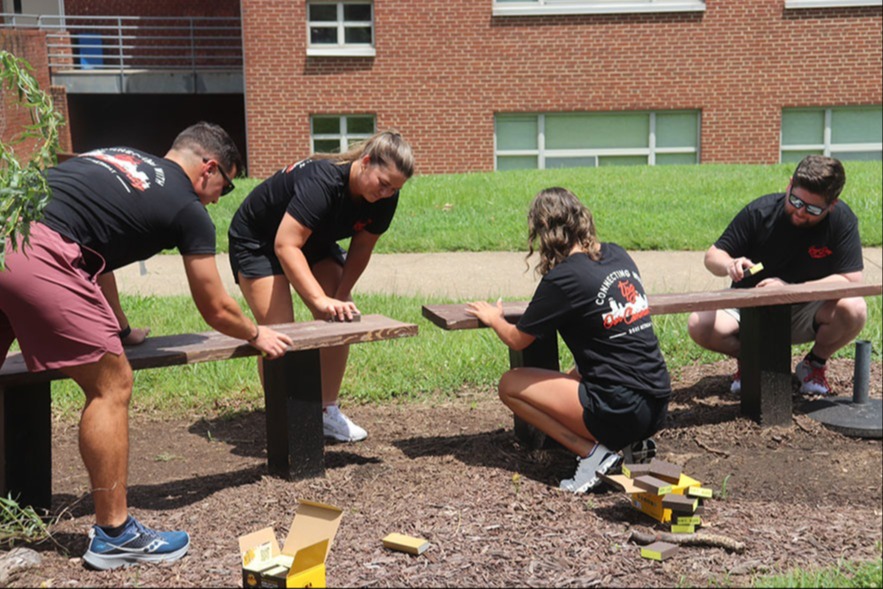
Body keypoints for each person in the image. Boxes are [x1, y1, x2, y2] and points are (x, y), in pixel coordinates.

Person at [0, 122, 293, 570]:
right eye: (226, 186)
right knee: (111, 384)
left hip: (8, 225)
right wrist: (257, 333)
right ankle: (115, 536)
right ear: (209, 168)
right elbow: (215, 306)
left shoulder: (122, 156)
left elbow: (95, 250)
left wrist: (119, 329)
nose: (219, 199)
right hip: (39, 253)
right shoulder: (187, 207)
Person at [466, 187, 671, 494]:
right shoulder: (618, 254)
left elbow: (518, 340)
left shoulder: (563, 278)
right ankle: (630, 443)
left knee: (510, 384)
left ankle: (593, 455)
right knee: (572, 377)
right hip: (658, 402)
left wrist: (494, 317)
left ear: (544, 232)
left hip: (623, 409)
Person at [228, 129, 414, 442]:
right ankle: (284, 417)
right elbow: (286, 245)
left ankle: (327, 410)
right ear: (365, 162)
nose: (386, 193)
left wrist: (338, 296)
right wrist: (318, 299)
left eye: (394, 189)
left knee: (342, 316)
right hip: (259, 240)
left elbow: (362, 249)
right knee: (278, 332)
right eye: (383, 183)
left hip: (313, 240)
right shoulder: (323, 181)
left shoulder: (385, 198)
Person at [687, 155, 866, 396]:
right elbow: (712, 256)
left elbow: (852, 279)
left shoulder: (842, 220)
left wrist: (790, 290)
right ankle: (753, 361)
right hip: (750, 307)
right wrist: (730, 264)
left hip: (807, 308)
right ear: (790, 184)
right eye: (796, 200)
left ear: (832, 204)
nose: (800, 212)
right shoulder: (760, 212)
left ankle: (814, 364)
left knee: (855, 308)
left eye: (813, 209)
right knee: (700, 324)